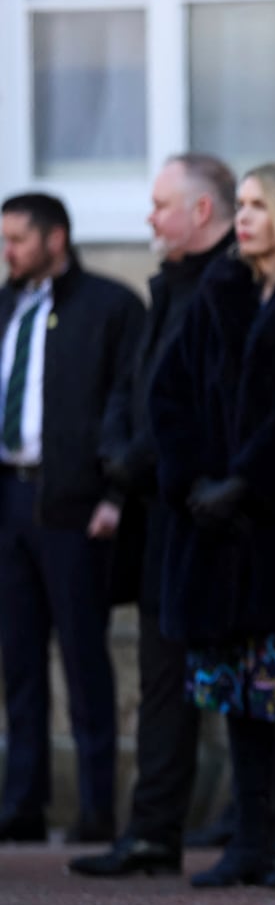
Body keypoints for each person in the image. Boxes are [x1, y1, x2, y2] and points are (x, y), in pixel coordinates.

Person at [146, 163, 275, 888]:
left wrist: (250, 480)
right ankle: (251, 837)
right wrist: (195, 481)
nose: (244, 217)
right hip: (216, 529)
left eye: (260, 206)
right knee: (236, 686)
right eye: (240, 205)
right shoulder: (219, 290)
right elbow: (168, 391)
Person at [70, 154, 237, 878]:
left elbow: (202, 401)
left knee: (233, 674)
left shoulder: (229, 287)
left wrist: (141, 454)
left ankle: (249, 823)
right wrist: (118, 453)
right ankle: (153, 829)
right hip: (158, 514)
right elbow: (132, 386)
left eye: (161, 203)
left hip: (212, 514)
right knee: (163, 673)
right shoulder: (165, 287)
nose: (148, 217)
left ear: (201, 211)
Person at [0, 193, 143, 844]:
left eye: (17, 240)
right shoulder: (7, 305)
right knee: (19, 658)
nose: (8, 253)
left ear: (55, 238)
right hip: (9, 498)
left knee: (84, 657)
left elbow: (128, 402)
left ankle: (95, 808)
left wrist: (115, 494)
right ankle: (22, 802)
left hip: (75, 505)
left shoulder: (110, 308)